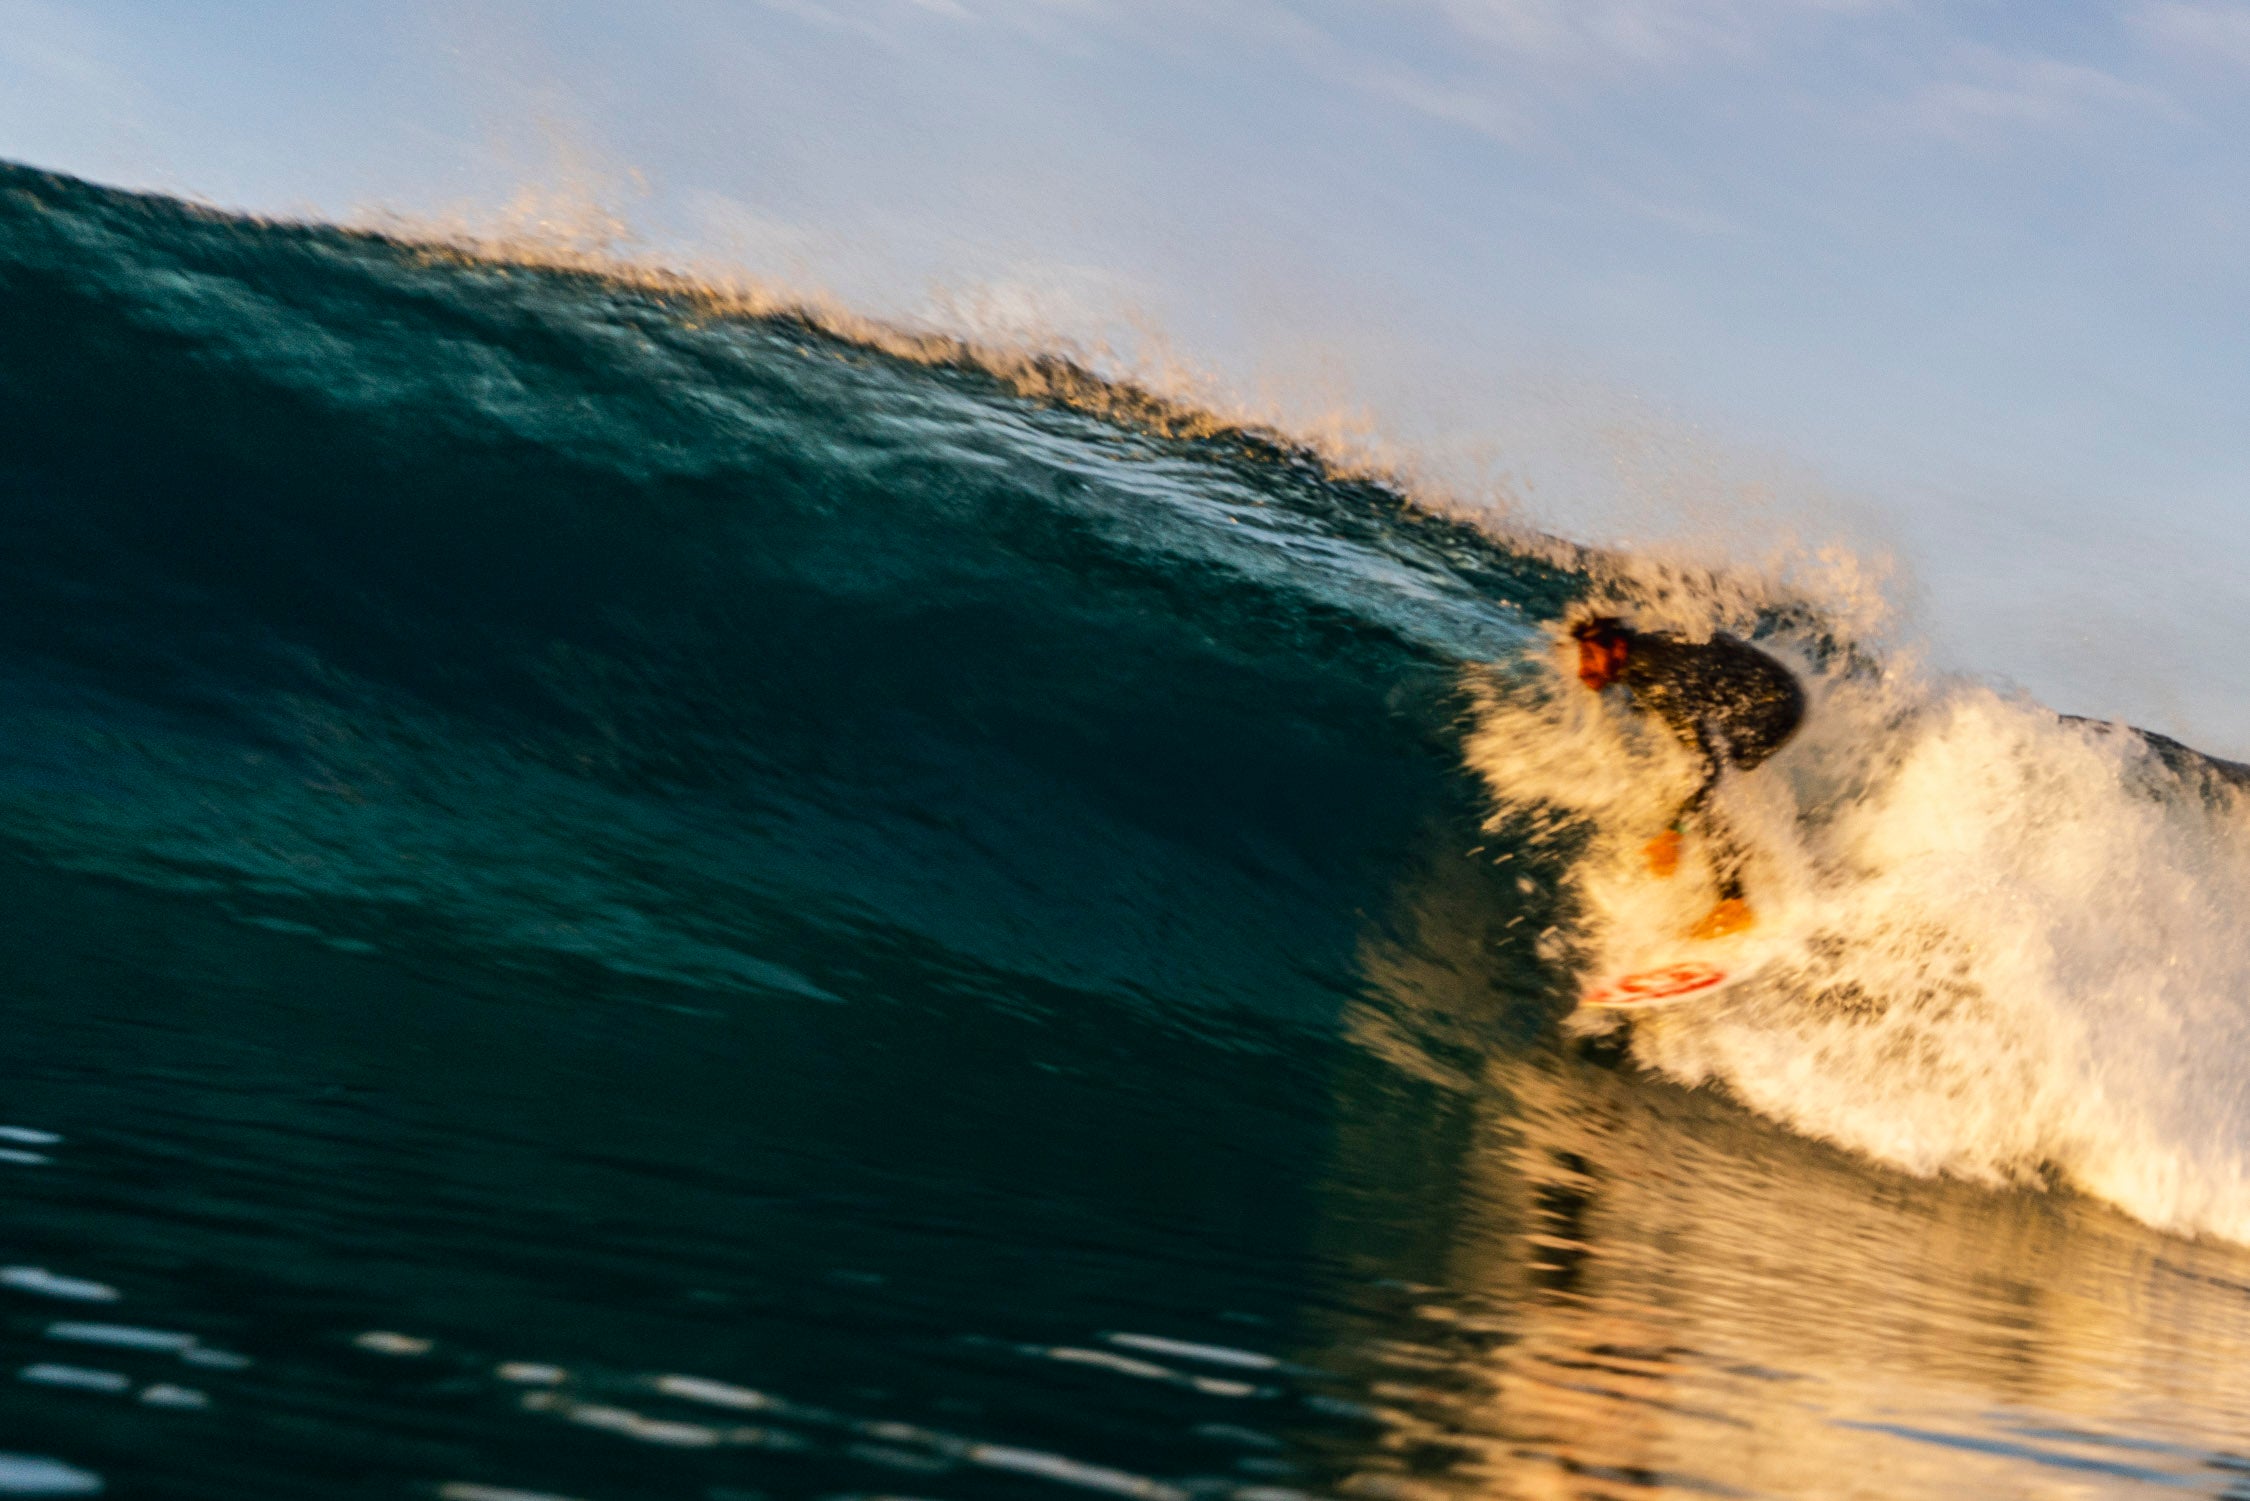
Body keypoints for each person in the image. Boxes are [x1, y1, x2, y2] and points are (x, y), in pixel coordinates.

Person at [1570, 615, 1805, 938]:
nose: (1583, 670)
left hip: (1775, 707)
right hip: (1769, 696)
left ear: (1618, 648)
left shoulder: (1656, 676)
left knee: (1708, 783)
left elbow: (1710, 764)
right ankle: (1750, 863)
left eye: (1589, 656)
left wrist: (1674, 832)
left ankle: (1734, 904)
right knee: (1708, 784)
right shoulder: (1642, 657)